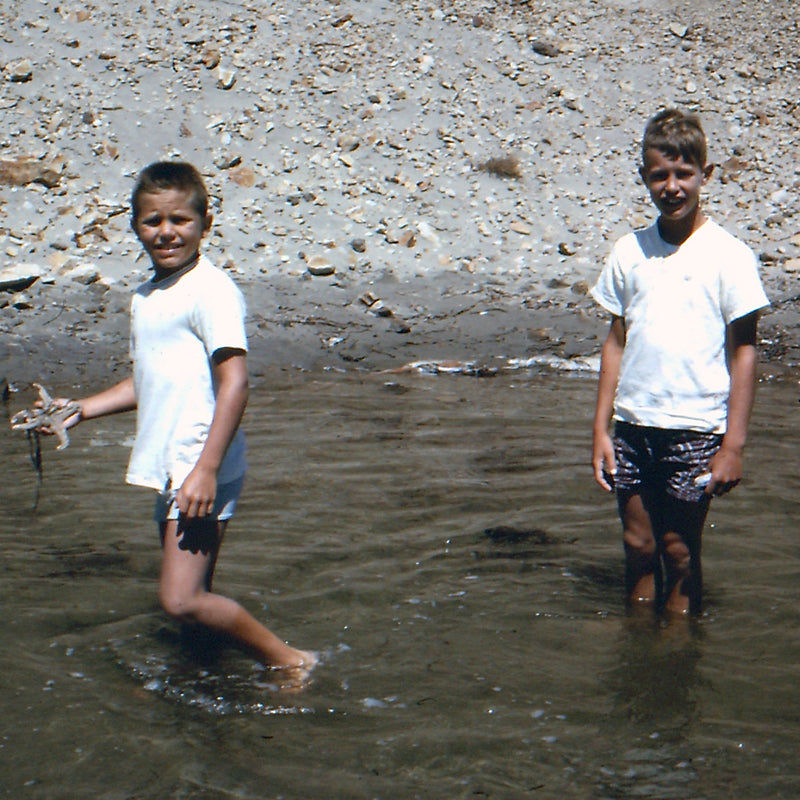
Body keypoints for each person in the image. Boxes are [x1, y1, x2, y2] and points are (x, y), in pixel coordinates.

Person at [54, 161, 315, 685]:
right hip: (176, 465)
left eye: (180, 220)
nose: (166, 232)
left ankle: (290, 661)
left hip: (199, 464)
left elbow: (235, 382)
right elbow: (150, 381)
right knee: (194, 595)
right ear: (134, 225)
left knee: (179, 599)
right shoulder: (150, 296)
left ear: (205, 223)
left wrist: (205, 470)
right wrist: (80, 409)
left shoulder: (210, 290)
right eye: (153, 221)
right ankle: (200, 671)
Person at [591, 109, 769, 618]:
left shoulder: (728, 255)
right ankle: (636, 648)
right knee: (639, 545)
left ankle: (675, 655)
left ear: (704, 176)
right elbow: (615, 342)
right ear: (644, 178)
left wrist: (732, 445)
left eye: (683, 174)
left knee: (678, 550)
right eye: (659, 176)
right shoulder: (630, 251)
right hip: (632, 427)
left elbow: (744, 351)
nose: (671, 187)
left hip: (694, 430)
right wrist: (601, 429)